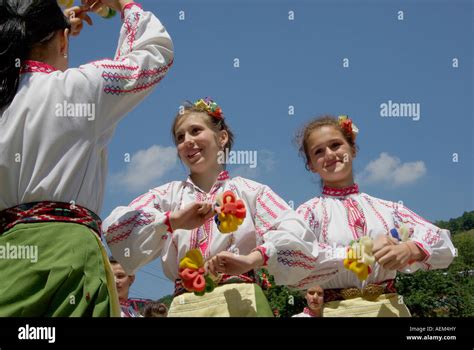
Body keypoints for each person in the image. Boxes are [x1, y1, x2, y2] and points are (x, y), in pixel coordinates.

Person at [0, 0, 173, 316]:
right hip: (70, 257)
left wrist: (58, 27)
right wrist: (125, 4)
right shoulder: (80, 88)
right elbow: (154, 55)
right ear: (63, 41)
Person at [103, 98, 317, 317]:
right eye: (180, 137)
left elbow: (298, 235)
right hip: (185, 307)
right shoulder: (167, 196)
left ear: (222, 137)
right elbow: (115, 228)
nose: (187, 140)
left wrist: (251, 260)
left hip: (241, 302)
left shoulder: (250, 191)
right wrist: (171, 221)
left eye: (195, 131)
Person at [293, 115, 456, 317]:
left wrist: (410, 249)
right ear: (311, 165)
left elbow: (444, 244)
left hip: (390, 311)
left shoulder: (388, 209)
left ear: (352, 149)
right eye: (318, 151)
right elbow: (291, 260)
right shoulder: (309, 213)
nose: (329, 154)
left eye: (336, 145)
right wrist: (353, 255)